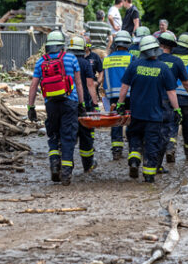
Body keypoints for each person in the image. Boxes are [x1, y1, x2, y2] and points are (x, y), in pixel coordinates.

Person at [114, 35, 181, 183]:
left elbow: (124, 87)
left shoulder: (134, 65)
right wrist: (177, 109)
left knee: (135, 138)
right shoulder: (163, 67)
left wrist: (120, 104)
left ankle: (133, 160)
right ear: (156, 50)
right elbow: (171, 92)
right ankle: (149, 175)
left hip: (136, 114)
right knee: (152, 144)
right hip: (155, 116)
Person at [26, 31, 86, 186]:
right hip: (70, 102)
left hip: (51, 104)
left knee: (53, 134)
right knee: (68, 136)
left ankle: (54, 164)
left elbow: (33, 85)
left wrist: (31, 107)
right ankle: (66, 172)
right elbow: (79, 83)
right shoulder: (71, 58)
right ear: (61, 45)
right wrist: (82, 104)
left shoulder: (41, 61)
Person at [157, 32, 188, 165]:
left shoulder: (157, 59)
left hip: (165, 99)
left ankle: (170, 148)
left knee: (171, 126)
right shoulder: (184, 60)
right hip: (185, 99)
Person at [67, 36, 101, 173]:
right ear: (83, 48)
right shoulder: (85, 63)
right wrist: (95, 103)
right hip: (84, 104)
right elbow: (90, 85)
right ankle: (88, 165)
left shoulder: (66, 62)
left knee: (68, 134)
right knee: (86, 135)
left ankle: (66, 165)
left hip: (68, 103)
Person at [102, 31, 134, 160]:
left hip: (112, 96)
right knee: (130, 120)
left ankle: (116, 150)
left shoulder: (107, 59)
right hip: (129, 94)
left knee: (116, 122)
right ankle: (133, 148)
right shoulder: (131, 58)